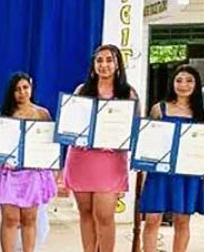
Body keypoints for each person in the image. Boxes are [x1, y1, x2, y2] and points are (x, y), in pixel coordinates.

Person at [63, 44, 138, 252]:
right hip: (81, 158)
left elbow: (134, 128)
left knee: (104, 215)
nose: (104, 65)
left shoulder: (127, 93)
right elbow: (72, 124)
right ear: (93, 64)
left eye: (109, 60)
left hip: (110, 161)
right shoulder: (82, 90)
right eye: (99, 60)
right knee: (85, 212)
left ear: (117, 64)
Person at [137, 65, 204, 252]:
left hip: (187, 173)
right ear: (172, 83)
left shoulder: (202, 113)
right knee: (152, 219)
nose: (183, 85)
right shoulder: (159, 109)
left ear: (196, 84)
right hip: (160, 171)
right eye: (179, 80)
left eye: (189, 81)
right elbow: (148, 140)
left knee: (182, 220)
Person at [0, 73, 56, 252]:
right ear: (12, 92)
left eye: (25, 87)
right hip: (9, 174)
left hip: (33, 173)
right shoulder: (5, 116)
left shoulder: (42, 113)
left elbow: (49, 145)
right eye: (17, 89)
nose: (22, 92)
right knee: (10, 219)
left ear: (31, 88)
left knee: (29, 219)